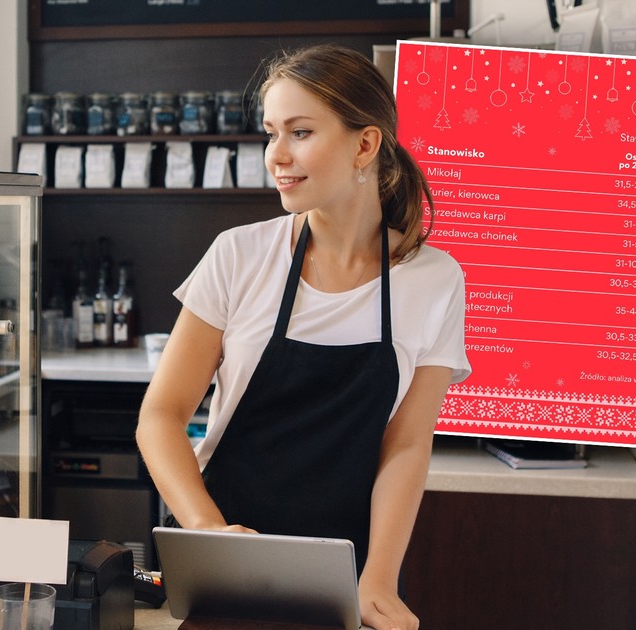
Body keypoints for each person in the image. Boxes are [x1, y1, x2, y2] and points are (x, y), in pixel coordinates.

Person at [136, 44, 471, 630]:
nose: (276, 156)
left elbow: (408, 444)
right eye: (271, 133)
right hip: (227, 564)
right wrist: (209, 534)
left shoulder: (434, 279)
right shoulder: (239, 256)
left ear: (365, 145)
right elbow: (160, 417)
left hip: (348, 575)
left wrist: (379, 579)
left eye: (300, 132)